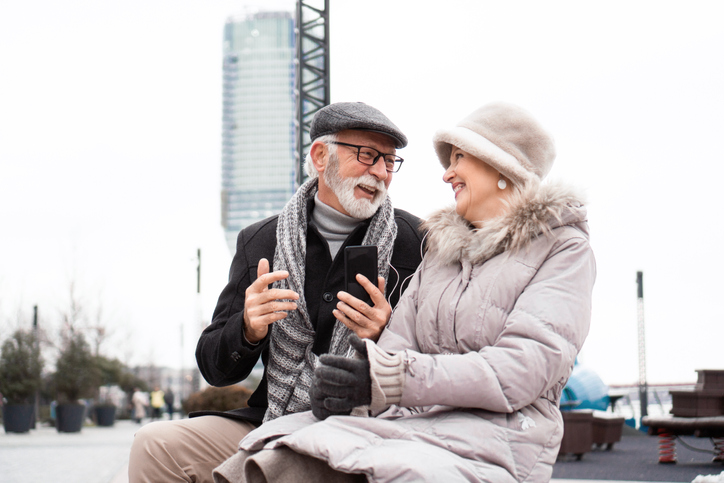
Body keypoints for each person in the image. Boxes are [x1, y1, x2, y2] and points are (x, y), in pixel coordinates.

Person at [213, 102, 597, 483]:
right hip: (409, 426)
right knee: (272, 454)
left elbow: (523, 368)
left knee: (310, 459)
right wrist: (351, 383)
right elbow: (397, 351)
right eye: (367, 155)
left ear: (500, 167)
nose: (447, 174)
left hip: (494, 439)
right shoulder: (443, 252)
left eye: (459, 158)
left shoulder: (563, 250)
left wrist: (383, 370)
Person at [128, 102, 426, 482]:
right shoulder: (260, 241)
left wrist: (385, 336)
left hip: (371, 426)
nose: (381, 172)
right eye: (368, 156)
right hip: (273, 417)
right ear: (321, 156)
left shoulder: (416, 243)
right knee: (155, 443)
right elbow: (214, 367)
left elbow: (437, 359)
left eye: (390, 161)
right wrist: (248, 327)